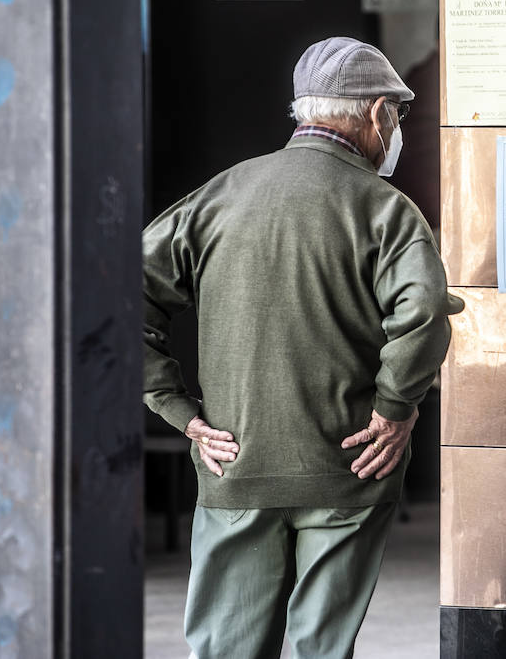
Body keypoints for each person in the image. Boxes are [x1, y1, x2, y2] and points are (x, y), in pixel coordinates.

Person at [142, 36, 462, 659]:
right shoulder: (386, 209)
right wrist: (396, 409)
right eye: (397, 115)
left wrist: (178, 411)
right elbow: (423, 309)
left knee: (225, 649)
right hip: (350, 463)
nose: (395, 131)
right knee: (322, 648)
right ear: (377, 115)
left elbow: (122, 294)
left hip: (233, 462)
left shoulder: (220, 195)